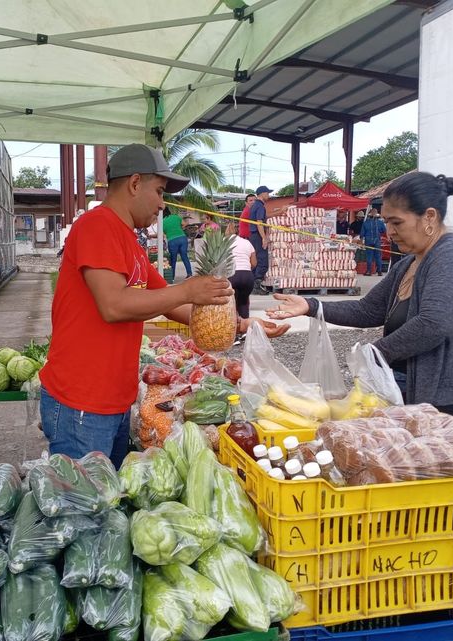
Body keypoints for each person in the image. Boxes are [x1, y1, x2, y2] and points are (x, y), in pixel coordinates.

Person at [39, 144, 290, 467]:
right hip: (81, 402)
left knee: (108, 498)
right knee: (86, 511)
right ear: (133, 183)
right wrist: (188, 290)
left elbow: (168, 302)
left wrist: (241, 325)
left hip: (112, 399)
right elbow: (114, 305)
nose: (162, 204)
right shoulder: (96, 226)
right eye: (158, 192)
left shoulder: (129, 240)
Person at [269, 172, 453, 427]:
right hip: (413, 404)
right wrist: (312, 305)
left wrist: (376, 354)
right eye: (386, 221)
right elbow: (368, 310)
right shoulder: (407, 264)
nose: (389, 231)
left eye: (396, 222)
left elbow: (435, 323)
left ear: (429, 216)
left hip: (452, 409)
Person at [226, 222, 256, 327]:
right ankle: (245, 330)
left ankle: (233, 331)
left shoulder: (224, 243)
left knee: (231, 305)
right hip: (247, 276)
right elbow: (254, 263)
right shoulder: (247, 243)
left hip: (232, 276)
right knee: (243, 303)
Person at [247, 185, 271, 293]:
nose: (268, 195)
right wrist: (264, 238)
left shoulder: (255, 205)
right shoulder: (260, 206)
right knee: (262, 260)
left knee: (256, 259)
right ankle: (256, 285)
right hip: (257, 235)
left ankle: (252, 285)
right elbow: (259, 223)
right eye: (267, 193)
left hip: (254, 236)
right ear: (262, 194)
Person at [161, 207, 192, 282]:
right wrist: (180, 228)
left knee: (173, 259)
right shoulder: (176, 217)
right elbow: (184, 224)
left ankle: (172, 277)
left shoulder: (162, 222)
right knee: (184, 256)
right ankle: (189, 274)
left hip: (172, 240)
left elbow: (163, 233)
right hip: (182, 238)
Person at [360, 208, 387, 276]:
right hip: (377, 240)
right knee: (378, 256)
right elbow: (384, 230)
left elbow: (362, 233)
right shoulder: (380, 222)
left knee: (369, 256)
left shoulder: (366, 222)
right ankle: (379, 271)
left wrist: (361, 241)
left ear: (369, 214)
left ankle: (369, 271)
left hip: (368, 241)